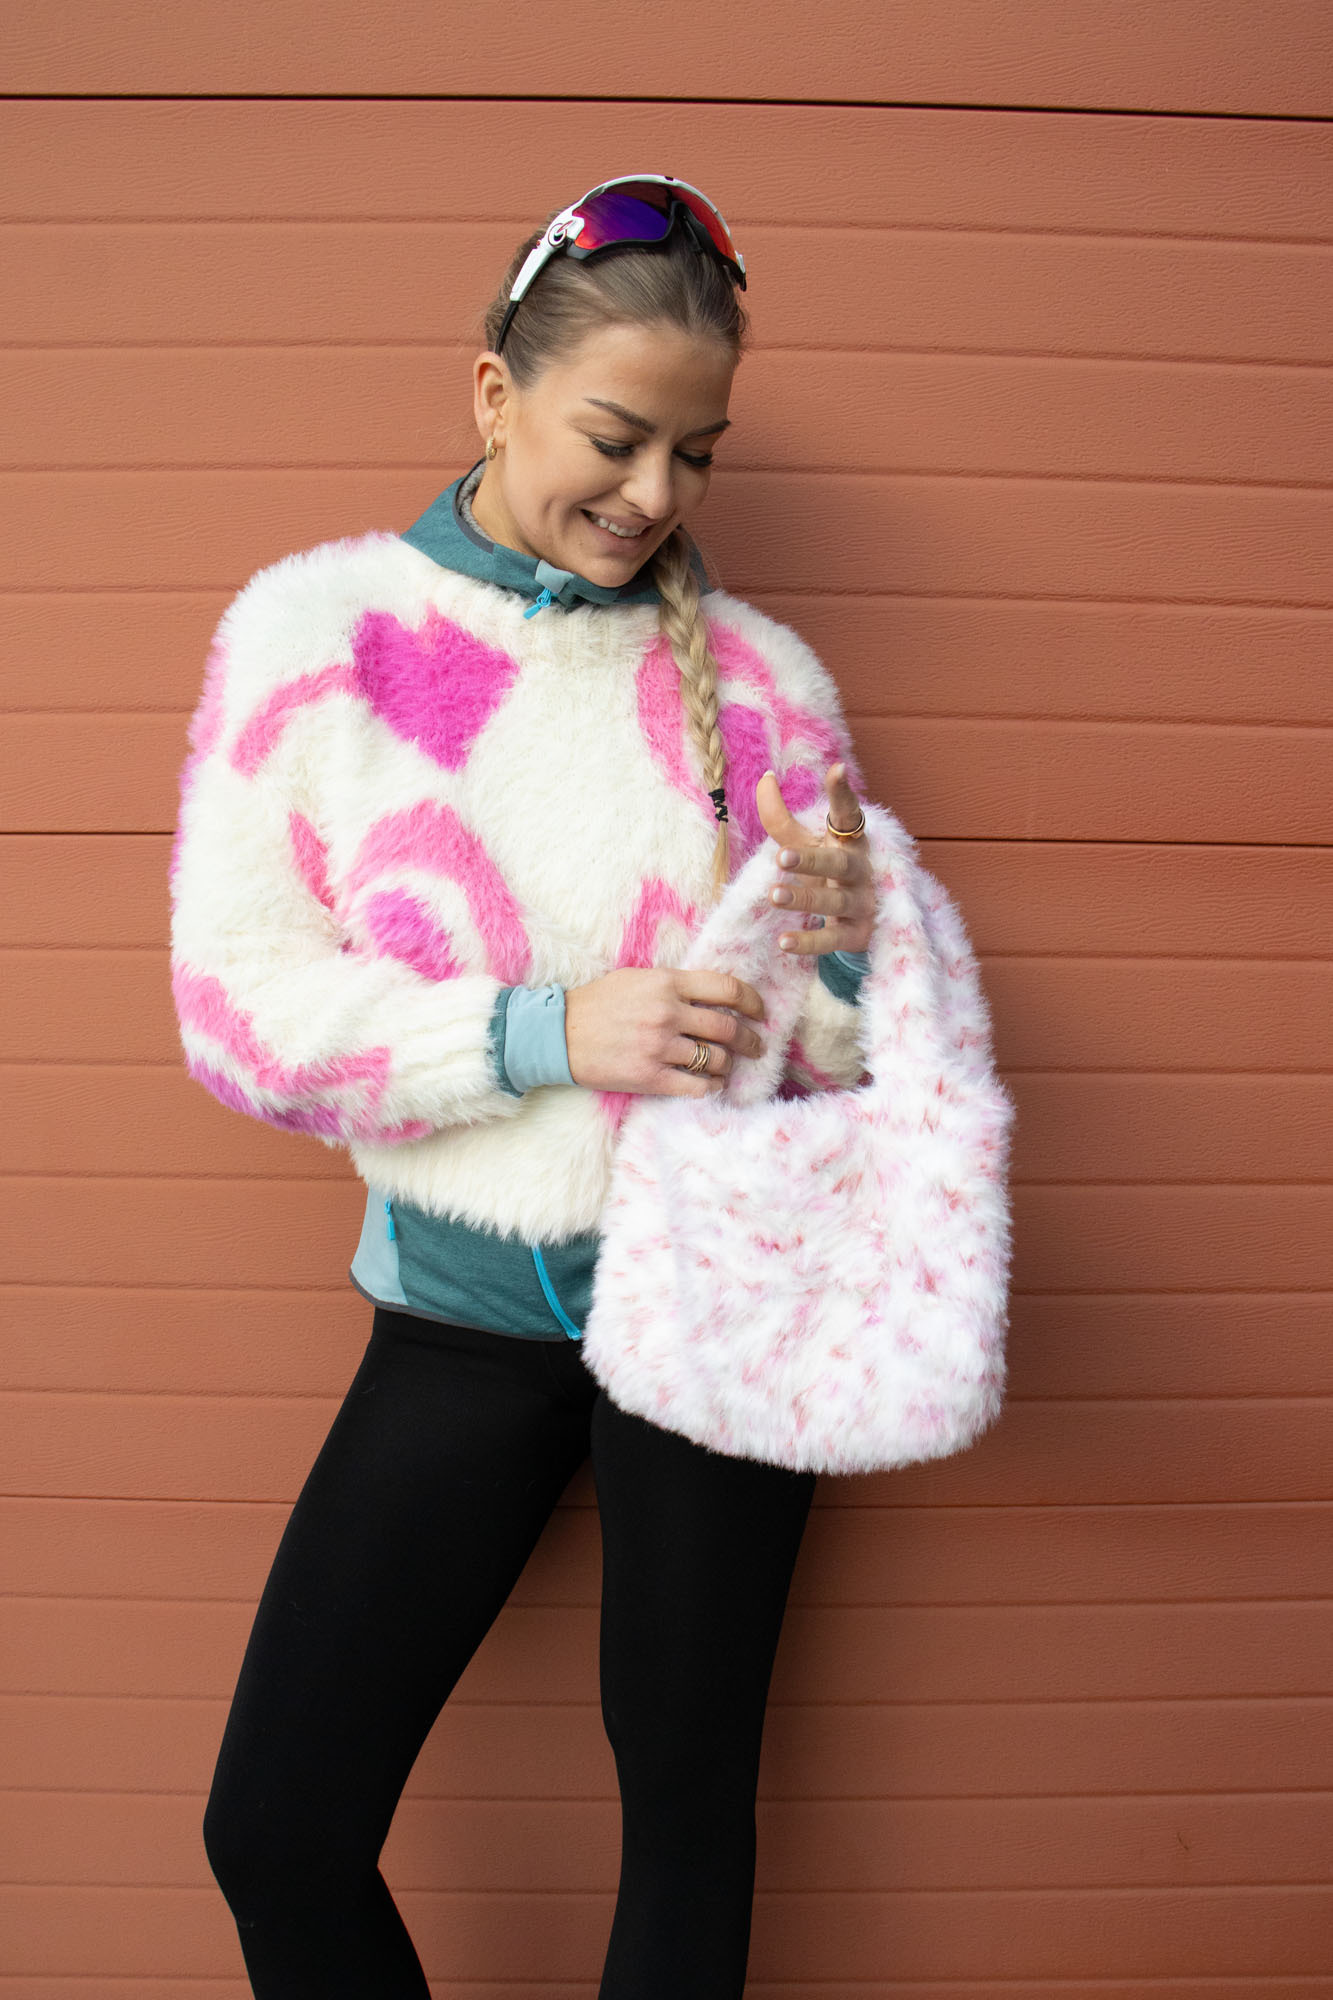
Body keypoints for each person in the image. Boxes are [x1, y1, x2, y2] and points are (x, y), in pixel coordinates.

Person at [169, 173, 879, 1999]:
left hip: (717, 1313)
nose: (652, 495)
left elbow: (847, 1063)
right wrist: (545, 1032)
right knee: (276, 1829)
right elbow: (236, 1010)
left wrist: (854, 966)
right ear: (495, 392)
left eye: (695, 455)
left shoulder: (771, 685)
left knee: (687, 1814)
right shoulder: (317, 639)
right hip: (462, 1313)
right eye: (615, 437)